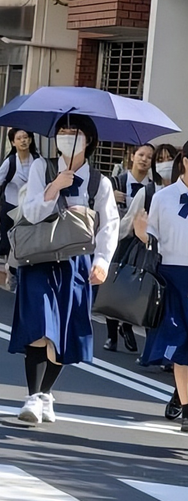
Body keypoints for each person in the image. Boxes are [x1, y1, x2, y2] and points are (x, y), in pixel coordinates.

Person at [9, 114, 119, 424]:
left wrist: (101, 262)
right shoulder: (42, 169)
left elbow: (109, 225)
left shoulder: (100, 182)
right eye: (63, 131)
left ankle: (45, 393)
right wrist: (54, 187)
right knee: (39, 326)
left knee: (63, 334)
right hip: (39, 259)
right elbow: (29, 212)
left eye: (75, 132)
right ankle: (32, 396)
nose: (68, 136)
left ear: (89, 140)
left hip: (76, 264)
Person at [144, 142, 188, 432]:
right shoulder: (163, 196)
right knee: (182, 345)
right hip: (172, 276)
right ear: (184, 161)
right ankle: (186, 408)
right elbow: (151, 238)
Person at [104, 142, 155, 353]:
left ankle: (127, 324)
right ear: (132, 156)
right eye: (141, 154)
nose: (144, 159)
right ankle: (111, 336)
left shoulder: (154, 188)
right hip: (115, 238)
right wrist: (110, 197)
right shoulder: (115, 182)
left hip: (137, 241)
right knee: (112, 283)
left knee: (132, 284)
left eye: (149, 157)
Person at [0, 129, 40, 293]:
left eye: (26, 137)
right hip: (11, 209)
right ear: (13, 143)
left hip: (31, 210)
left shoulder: (38, 162)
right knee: (11, 244)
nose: (23, 141)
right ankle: (12, 273)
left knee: (27, 244)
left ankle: (20, 274)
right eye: (19, 138)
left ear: (31, 140)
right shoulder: (10, 162)